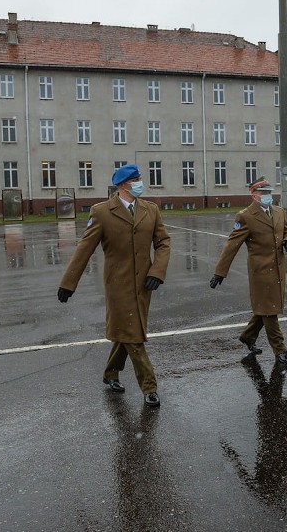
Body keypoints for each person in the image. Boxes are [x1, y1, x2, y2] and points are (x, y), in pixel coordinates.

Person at [57, 163, 170, 407]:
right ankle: (149, 387)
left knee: (126, 331)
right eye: (136, 179)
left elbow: (163, 243)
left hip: (144, 285)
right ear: (122, 185)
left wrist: (157, 271)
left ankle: (110, 373)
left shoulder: (151, 210)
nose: (140, 182)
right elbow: (84, 249)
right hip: (118, 285)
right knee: (133, 335)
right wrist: (69, 283)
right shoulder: (102, 212)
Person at [210, 177, 287, 366]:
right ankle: (280, 351)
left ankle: (248, 336)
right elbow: (232, 245)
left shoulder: (279, 212)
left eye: (269, 192)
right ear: (254, 195)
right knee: (269, 311)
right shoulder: (245, 216)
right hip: (261, 272)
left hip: (278, 270)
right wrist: (220, 272)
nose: (268, 196)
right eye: (263, 193)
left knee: (265, 309)